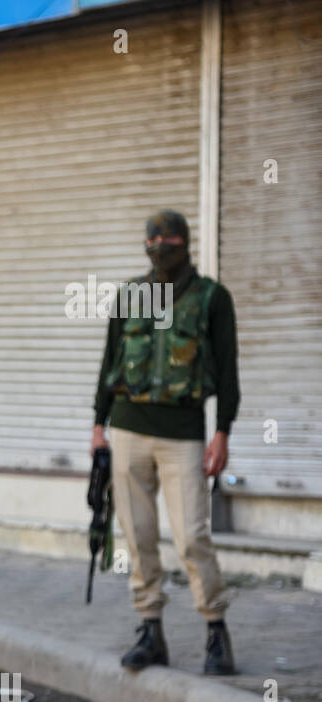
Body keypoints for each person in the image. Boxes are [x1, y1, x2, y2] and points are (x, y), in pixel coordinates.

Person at [93, 209, 240, 675]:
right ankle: (150, 628)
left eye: (168, 237)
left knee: (192, 536)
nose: (159, 244)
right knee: (137, 536)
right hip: (129, 428)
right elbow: (109, 360)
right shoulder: (132, 295)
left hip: (183, 434)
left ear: (185, 241)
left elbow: (229, 371)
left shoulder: (212, 298)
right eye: (152, 237)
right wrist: (98, 426)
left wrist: (223, 432)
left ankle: (216, 631)